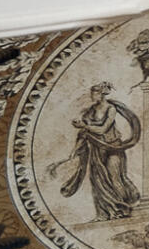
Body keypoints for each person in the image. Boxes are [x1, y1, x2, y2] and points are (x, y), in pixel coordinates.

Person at [53, 83, 143, 221]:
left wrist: (85, 126)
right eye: (91, 93)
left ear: (101, 94)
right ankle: (104, 214)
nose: (91, 96)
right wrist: (75, 150)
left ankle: (124, 209)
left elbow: (102, 129)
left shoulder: (110, 109)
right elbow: (84, 133)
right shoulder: (90, 111)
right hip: (97, 149)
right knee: (98, 181)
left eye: (94, 94)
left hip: (112, 147)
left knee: (115, 177)